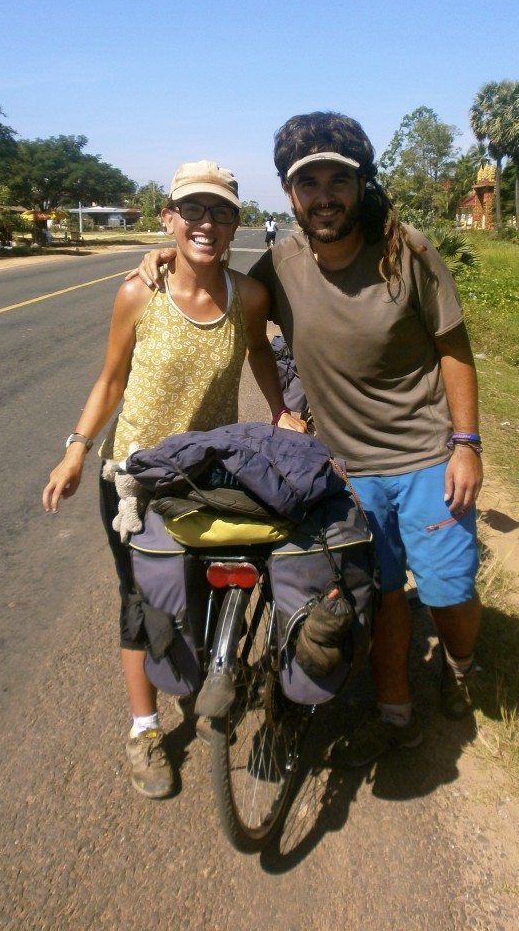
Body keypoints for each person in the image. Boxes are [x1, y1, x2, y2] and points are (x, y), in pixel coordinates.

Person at [135, 114, 484, 768]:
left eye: (338, 180)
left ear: (360, 183)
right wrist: (162, 257)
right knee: (379, 593)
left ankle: (462, 666)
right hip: (341, 467)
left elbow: (453, 348)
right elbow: (230, 297)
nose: (324, 195)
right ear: (290, 194)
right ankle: (394, 711)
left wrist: (467, 443)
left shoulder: (406, 251)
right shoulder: (282, 263)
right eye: (308, 182)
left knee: (447, 592)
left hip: (427, 457)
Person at [43, 160, 306, 799]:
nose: (206, 224)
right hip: (133, 475)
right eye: (192, 211)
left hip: (204, 472)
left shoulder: (250, 296)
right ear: (169, 218)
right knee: (142, 603)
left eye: (219, 211)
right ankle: (143, 728)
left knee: (212, 588)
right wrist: (77, 450)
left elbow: (260, 353)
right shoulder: (140, 292)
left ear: (236, 221)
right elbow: (111, 380)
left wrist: (281, 412)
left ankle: (216, 666)